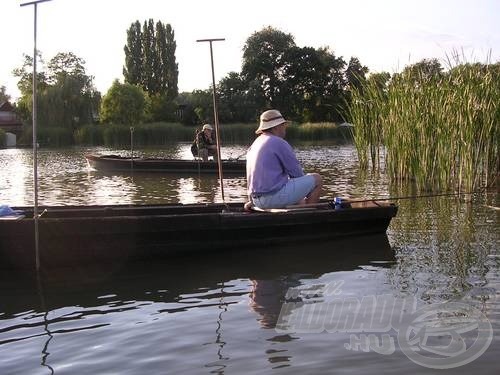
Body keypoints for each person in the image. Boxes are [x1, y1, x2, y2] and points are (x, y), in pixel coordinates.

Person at [245, 109, 322, 210]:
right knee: (317, 179)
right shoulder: (278, 142)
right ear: (276, 127)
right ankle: (308, 214)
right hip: (272, 198)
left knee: (294, 191)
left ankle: (301, 206)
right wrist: (303, 194)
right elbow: (297, 175)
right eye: (283, 124)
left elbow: (250, 179)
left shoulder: (256, 143)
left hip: (256, 200)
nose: (285, 127)